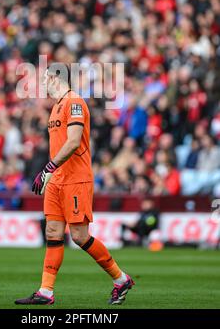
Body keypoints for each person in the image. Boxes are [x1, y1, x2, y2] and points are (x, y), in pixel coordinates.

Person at [15, 63, 135, 306]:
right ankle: (46, 292)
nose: (44, 83)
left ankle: (120, 279)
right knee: (53, 232)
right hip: (57, 179)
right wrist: (51, 172)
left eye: (47, 78)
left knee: (80, 237)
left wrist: (48, 168)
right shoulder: (55, 108)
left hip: (75, 178)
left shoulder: (75, 102)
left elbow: (73, 142)